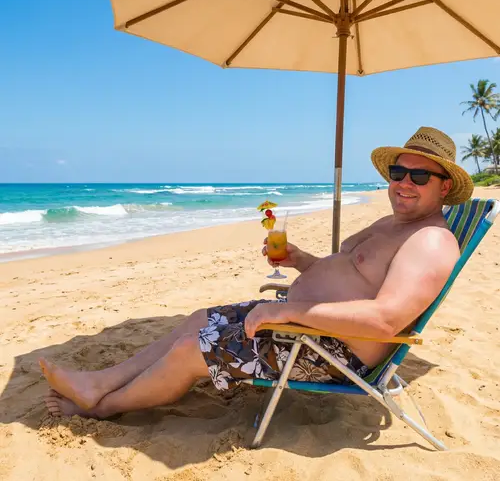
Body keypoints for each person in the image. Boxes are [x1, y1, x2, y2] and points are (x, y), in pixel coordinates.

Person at [41, 126, 474, 419]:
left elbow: (385, 319)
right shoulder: (394, 224)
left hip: (333, 352)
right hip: (306, 326)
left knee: (187, 351)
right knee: (198, 320)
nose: (404, 182)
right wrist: (301, 260)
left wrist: (286, 312)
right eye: (398, 171)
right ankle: (100, 382)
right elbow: (348, 272)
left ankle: (99, 408)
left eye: (420, 175)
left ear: (445, 186)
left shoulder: (430, 241)